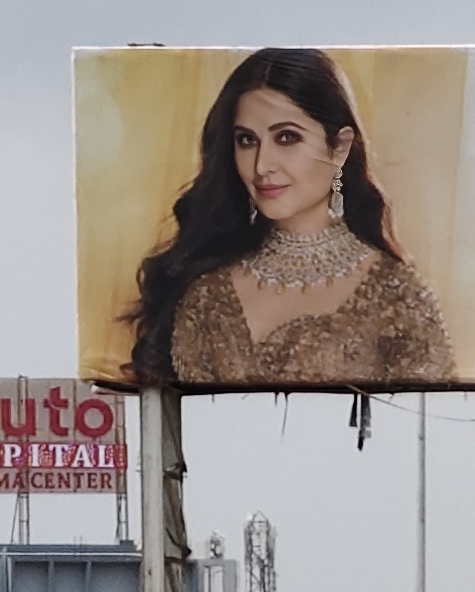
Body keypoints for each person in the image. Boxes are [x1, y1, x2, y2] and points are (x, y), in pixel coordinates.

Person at [127, 48, 458, 385]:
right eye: (247, 140)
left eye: (287, 137)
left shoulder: (398, 297)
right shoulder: (206, 296)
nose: (262, 165)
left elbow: (430, 418)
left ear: (340, 147)